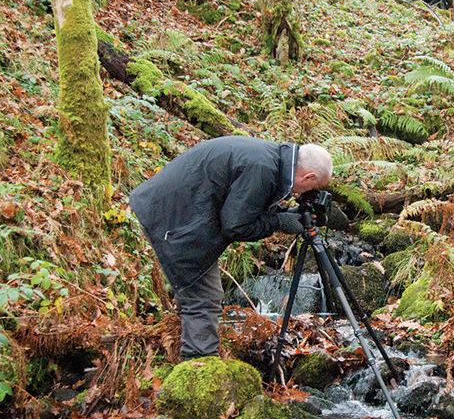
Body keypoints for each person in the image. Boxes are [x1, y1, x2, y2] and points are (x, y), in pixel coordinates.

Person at [129, 136, 333, 359]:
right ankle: (198, 370)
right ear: (309, 176)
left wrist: (283, 215)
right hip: (174, 219)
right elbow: (236, 226)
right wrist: (279, 222)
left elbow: (244, 205)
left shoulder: (270, 160)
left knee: (201, 294)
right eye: (311, 189)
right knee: (204, 298)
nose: (304, 195)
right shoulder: (263, 169)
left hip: (176, 211)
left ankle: (187, 358)